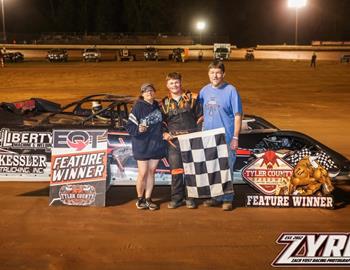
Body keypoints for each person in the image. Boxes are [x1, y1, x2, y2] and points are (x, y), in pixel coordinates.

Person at [198, 60, 243, 211]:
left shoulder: (231, 90)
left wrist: (235, 137)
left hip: (227, 136)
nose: (215, 76)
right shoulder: (204, 91)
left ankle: (227, 199)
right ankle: (216, 197)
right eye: (212, 72)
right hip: (209, 136)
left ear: (223, 74)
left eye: (218, 72)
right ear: (208, 74)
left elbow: (237, 115)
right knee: (213, 168)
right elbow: (202, 108)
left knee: (226, 168)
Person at [161, 72, 202, 209]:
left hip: (192, 139)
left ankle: (191, 198)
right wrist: (164, 133)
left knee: (191, 170)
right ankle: (176, 198)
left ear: (181, 82)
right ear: (167, 85)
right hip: (174, 142)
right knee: (176, 171)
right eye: (171, 83)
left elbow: (201, 118)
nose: (174, 85)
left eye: (177, 82)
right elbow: (160, 122)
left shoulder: (193, 98)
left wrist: (198, 134)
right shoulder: (164, 103)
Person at [125, 83, 167, 211]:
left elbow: (164, 122)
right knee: (143, 173)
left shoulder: (159, 106)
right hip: (142, 144)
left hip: (156, 144)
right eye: (146, 91)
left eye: (151, 90)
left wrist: (165, 131)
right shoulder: (137, 107)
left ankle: (148, 199)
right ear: (142, 94)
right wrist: (138, 129)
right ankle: (140, 199)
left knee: (151, 172)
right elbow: (130, 126)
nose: (149, 93)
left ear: (154, 92)